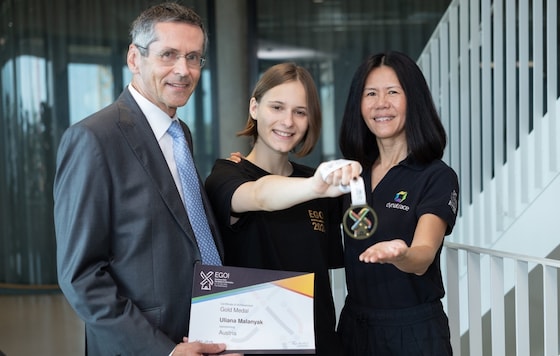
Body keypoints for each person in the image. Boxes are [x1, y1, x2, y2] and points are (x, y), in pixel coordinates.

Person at [53, 3, 238, 355]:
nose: (183, 70)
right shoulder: (94, 139)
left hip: (197, 335)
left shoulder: (180, 132)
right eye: (168, 55)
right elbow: (80, 276)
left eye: (194, 57)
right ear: (135, 59)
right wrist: (162, 351)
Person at [205, 62, 359, 356]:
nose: (288, 121)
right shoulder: (225, 175)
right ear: (254, 108)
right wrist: (315, 186)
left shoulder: (317, 184)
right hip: (250, 346)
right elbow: (261, 195)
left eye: (300, 112)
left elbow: (365, 225)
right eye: (277, 107)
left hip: (318, 343)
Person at [336, 51, 460, 356]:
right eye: (371, 94)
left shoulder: (435, 176)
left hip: (412, 331)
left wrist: (400, 254)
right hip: (354, 324)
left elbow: (423, 256)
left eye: (393, 92)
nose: (381, 103)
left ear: (413, 100)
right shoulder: (352, 174)